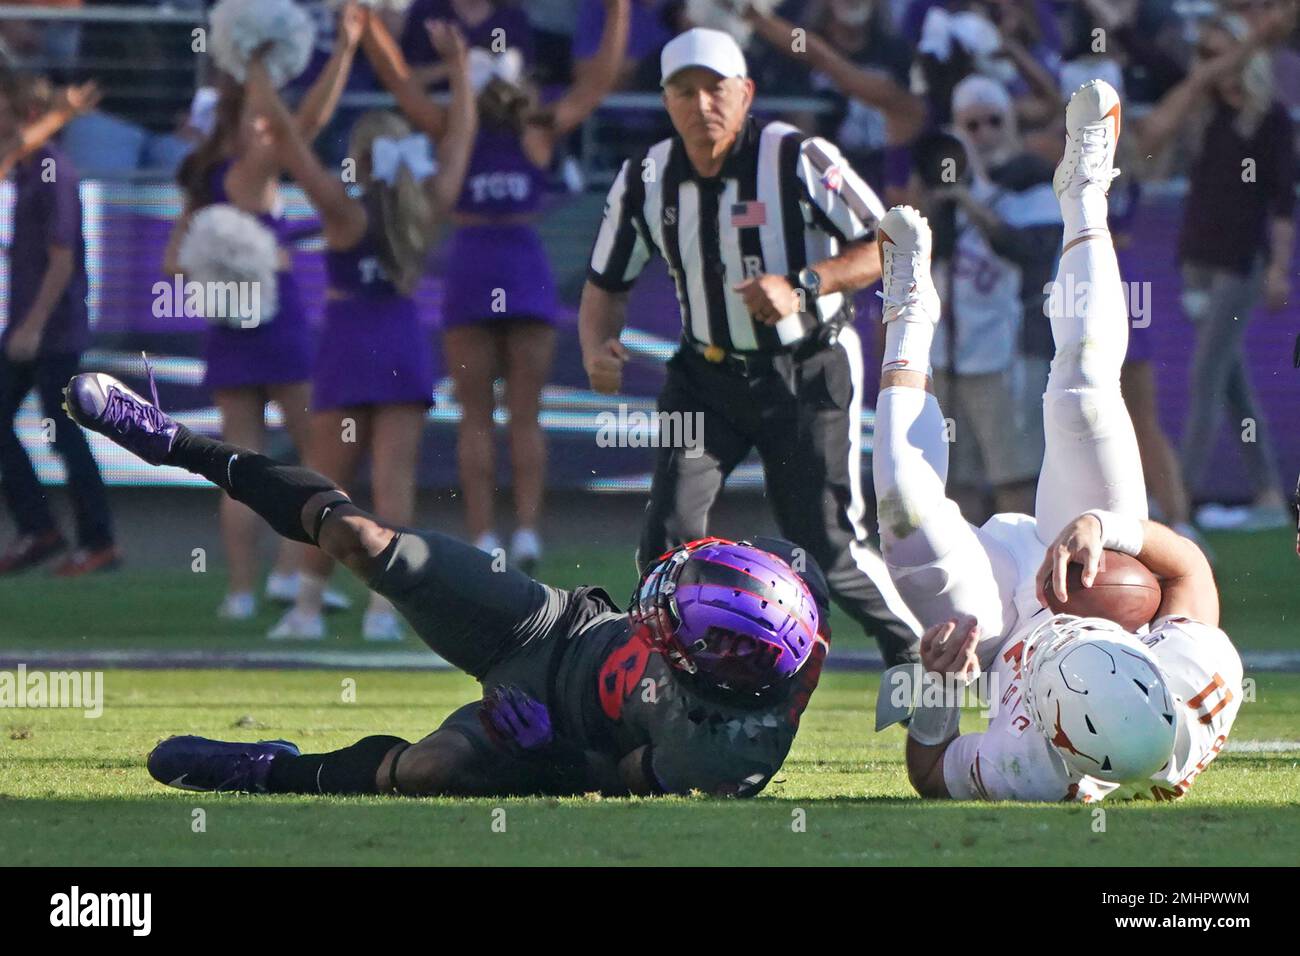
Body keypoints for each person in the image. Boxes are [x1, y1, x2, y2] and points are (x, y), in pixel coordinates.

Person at [60, 371, 830, 797]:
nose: (657, 611)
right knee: (362, 538)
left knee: (430, 770)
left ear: (715, 669)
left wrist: (554, 756)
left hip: (551, 729)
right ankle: (176, 442)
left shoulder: (721, 758)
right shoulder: (787, 585)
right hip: (549, 626)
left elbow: (621, 783)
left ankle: (269, 768)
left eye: (678, 625)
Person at [869, 81, 1242, 802]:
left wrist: (940, 690)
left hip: (1000, 614)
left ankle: (908, 310)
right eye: (1097, 646)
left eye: (1068, 661)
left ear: (1054, 734)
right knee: (1080, 393)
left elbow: (931, 777)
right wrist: (1109, 527)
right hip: (1080, 561)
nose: (1072, 634)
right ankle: (1086, 192)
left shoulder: (1033, 767)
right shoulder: (1198, 683)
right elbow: (1191, 570)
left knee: (901, 505)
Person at [581, 27, 922, 667]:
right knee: (667, 536)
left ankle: (925, 662)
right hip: (706, 376)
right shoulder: (645, 177)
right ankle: (668, 676)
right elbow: (605, 284)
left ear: (746, 93)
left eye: (716, 88)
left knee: (825, 544)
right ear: (665, 100)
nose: (701, 103)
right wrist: (596, 345)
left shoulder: (795, 156)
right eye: (684, 91)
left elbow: (889, 240)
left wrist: (804, 284)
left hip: (807, 367)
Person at [265, 13, 479, 641]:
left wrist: (300, 68)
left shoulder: (339, 207)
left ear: (359, 158)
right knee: (393, 485)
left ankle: (307, 606)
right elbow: (461, 140)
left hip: (347, 344)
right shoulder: (426, 206)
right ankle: (386, 609)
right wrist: (462, 75)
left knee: (326, 486)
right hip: (401, 345)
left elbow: (287, 142)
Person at [165, 7, 363, 620]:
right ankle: (294, 574)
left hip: (227, 330)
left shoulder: (202, 181)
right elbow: (309, 121)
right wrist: (345, 51)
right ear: (245, 124)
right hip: (274, 328)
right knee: (314, 455)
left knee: (237, 462)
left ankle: (240, 593)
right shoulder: (251, 169)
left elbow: (174, 266)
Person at [433, 0, 628, 572]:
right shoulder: (483, 126)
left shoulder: (522, 128)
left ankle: (512, 534)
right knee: (500, 414)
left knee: (510, 413)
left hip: (497, 263)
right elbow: (596, 86)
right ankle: (499, 533)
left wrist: (616, 9)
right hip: (500, 263)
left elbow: (598, 82)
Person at [1134, 12, 1295, 531]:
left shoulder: (1270, 119)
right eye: (1203, 57)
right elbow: (1160, 104)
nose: (1211, 68)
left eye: (1219, 55)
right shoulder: (1203, 115)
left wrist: (1278, 268)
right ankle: (1269, 489)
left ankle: (1181, 497)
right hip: (1195, 261)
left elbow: (1283, 202)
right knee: (1231, 382)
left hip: (1238, 264)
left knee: (1205, 376)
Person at [925, 74, 1059, 521]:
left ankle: (1020, 573)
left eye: (993, 121)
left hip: (1008, 347)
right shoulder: (944, 182)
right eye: (971, 125)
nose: (983, 133)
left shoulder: (1034, 180)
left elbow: (1029, 252)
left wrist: (971, 201)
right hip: (949, 349)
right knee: (954, 477)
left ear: (1011, 122)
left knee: (1014, 475)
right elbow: (928, 254)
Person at [0, 73, 117, 577]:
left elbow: (63, 258)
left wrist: (33, 326)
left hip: (52, 331)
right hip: (21, 329)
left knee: (66, 434)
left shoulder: (52, 169)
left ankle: (97, 541)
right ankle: (40, 529)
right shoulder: (22, 170)